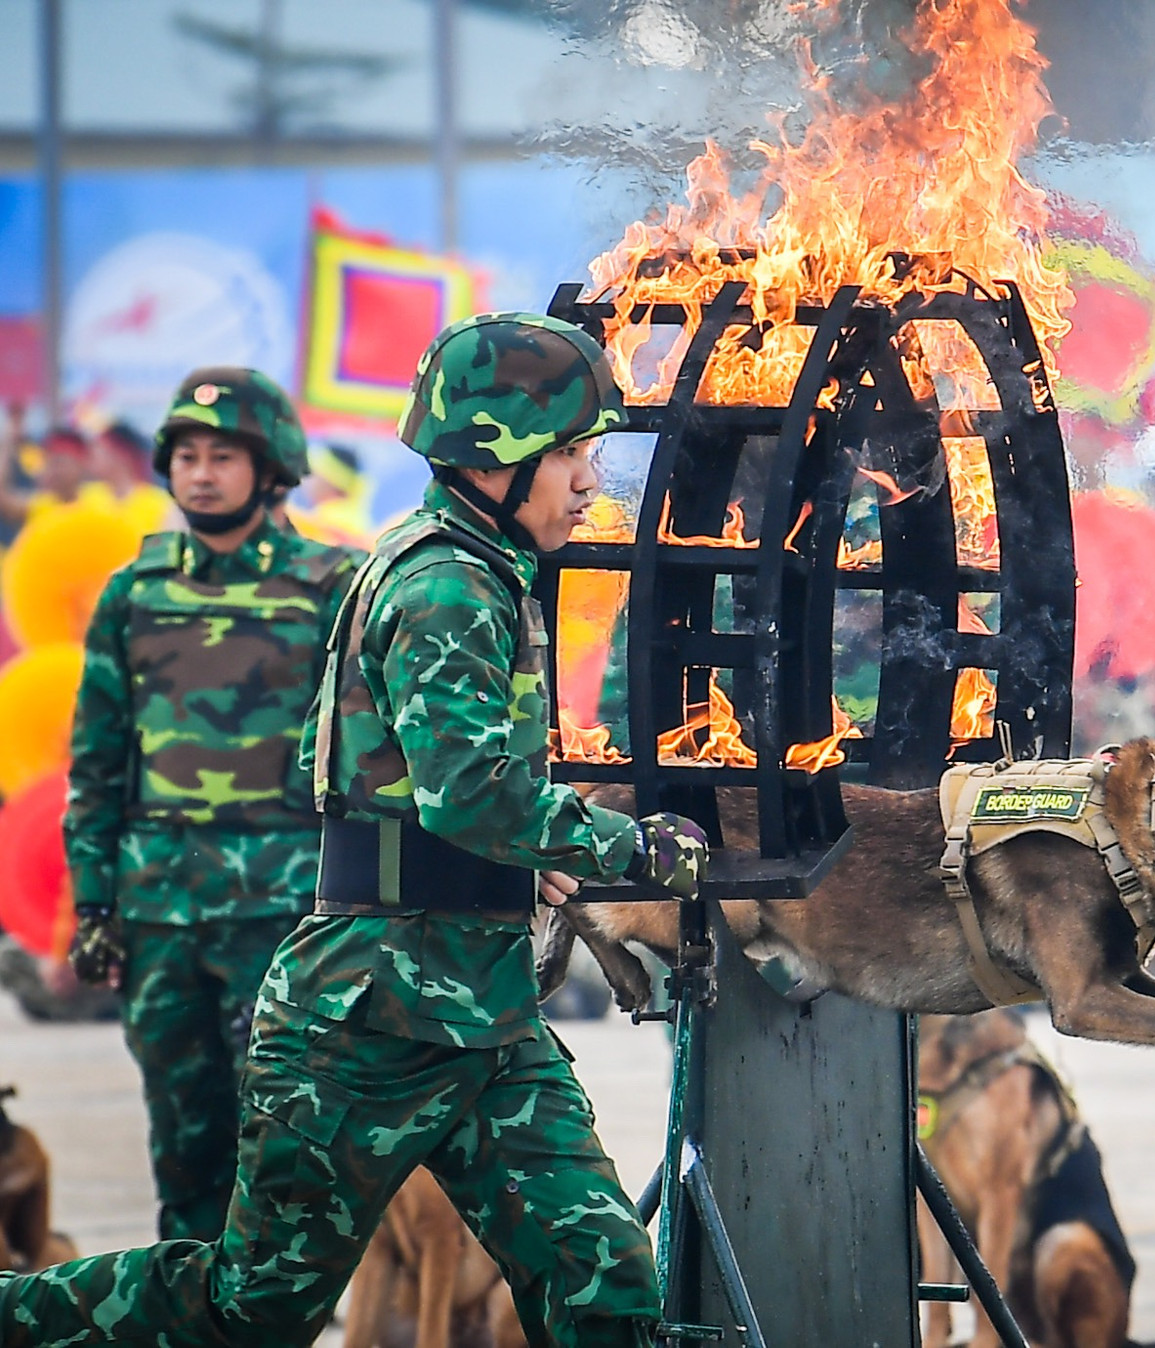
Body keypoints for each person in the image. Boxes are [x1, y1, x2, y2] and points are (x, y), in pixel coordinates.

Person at [0, 312, 707, 1347]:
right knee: (254, 1307)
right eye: (571, 453)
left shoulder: (463, 567)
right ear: (497, 456)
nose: (589, 480)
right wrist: (629, 850)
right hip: (367, 1019)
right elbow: (470, 792)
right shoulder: (444, 586)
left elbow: (373, 781)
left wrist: (509, 868)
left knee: (604, 1287)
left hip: (479, 1013)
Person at [61, 369, 361, 1243]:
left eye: (222, 455)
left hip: (285, 906)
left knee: (286, 1135)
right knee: (183, 1133)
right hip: (159, 907)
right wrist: (93, 901)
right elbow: (99, 756)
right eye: (185, 455)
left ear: (269, 468)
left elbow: (357, 758)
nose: (199, 473)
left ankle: (275, 1310)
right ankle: (189, 1305)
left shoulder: (328, 585)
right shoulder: (135, 592)